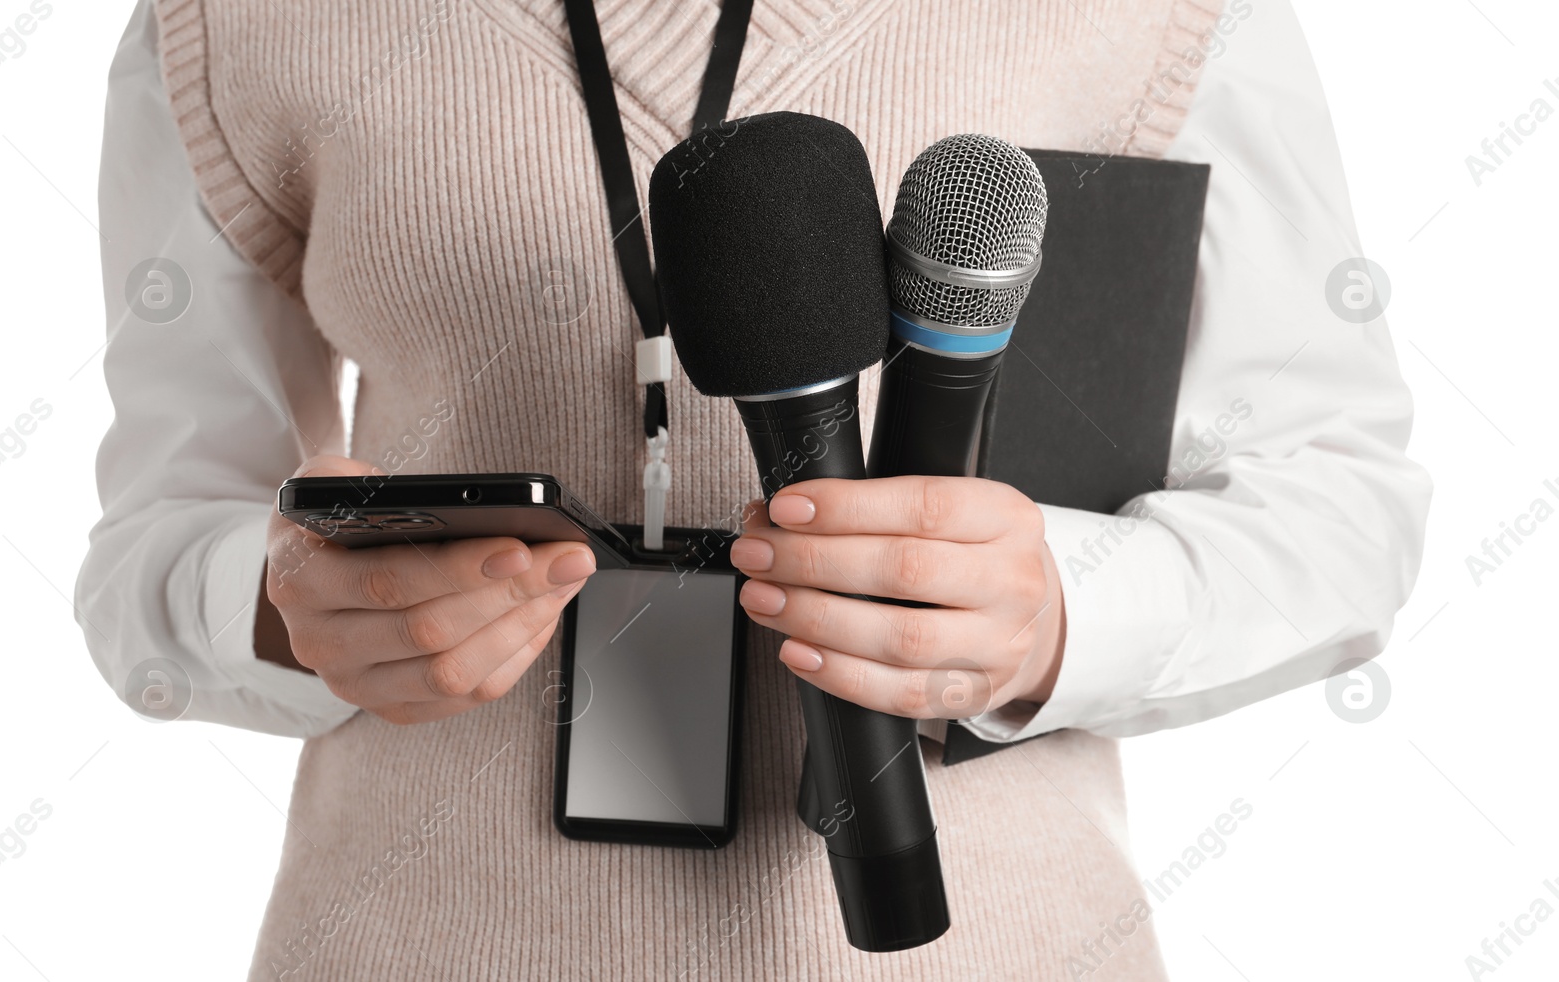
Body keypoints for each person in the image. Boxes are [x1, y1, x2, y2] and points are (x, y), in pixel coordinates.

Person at [77, 0, 1430, 978]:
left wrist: (1057, 615)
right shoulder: (232, 20)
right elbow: (152, 540)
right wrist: (279, 608)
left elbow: (1337, 495)